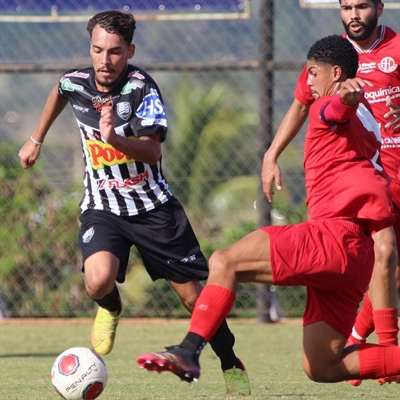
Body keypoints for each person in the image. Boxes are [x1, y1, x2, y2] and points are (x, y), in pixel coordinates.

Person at [137, 34, 400, 387]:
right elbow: (347, 110)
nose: (307, 82)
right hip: (355, 258)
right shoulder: (371, 124)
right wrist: (350, 99)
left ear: (334, 73)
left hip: (331, 238)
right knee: (322, 366)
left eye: (311, 73)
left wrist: (345, 97)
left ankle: (188, 350)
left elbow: (335, 108)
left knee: (224, 261)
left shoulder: (328, 105)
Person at [18, 10, 250, 396]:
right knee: (97, 280)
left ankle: (229, 360)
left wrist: (113, 139)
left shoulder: (142, 89)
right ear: (90, 48)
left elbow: (152, 152)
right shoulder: (76, 82)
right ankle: (110, 306)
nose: (104, 60)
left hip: (153, 209)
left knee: (194, 299)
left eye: (114, 52)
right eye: (97, 50)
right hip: (103, 206)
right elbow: (60, 90)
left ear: (129, 51)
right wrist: (36, 138)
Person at [269, 0, 400, 387]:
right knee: (385, 253)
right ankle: (387, 354)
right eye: (346, 7)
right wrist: (272, 153)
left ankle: (363, 341)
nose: (353, 15)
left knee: (389, 262)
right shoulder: (330, 58)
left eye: (361, 6)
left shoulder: (396, 50)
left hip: (394, 172)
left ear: (379, 7)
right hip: (365, 182)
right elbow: (301, 104)